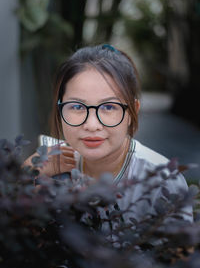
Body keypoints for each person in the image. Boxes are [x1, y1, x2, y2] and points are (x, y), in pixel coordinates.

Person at [24, 44, 193, 222]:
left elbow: (178, 248)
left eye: (108, 107)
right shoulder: (53, 166)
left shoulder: (163, 181)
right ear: (60, 109)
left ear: (132, 112)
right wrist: (30, 171)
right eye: (77, 107)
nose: (91, 125)